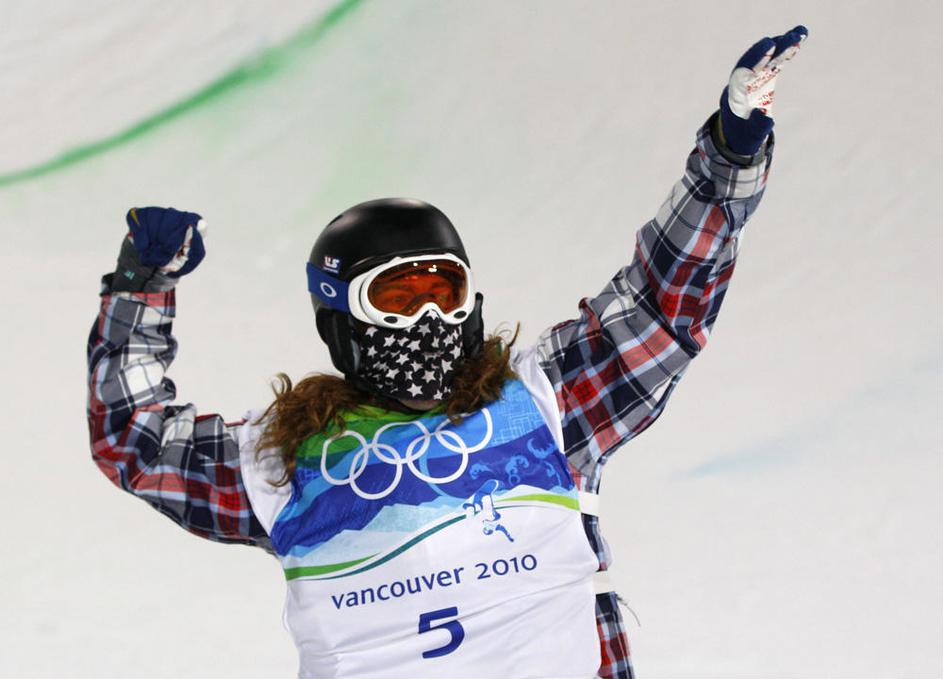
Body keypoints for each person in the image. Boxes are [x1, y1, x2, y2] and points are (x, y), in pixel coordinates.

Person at [86, 26, 807, 679]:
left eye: (443, 290)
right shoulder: (287, 457)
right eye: (397, 297)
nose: (428, 318)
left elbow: (658, 304)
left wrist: (727, 159)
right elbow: (136, 439)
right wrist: (141, 288)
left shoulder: (546, 404)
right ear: (341, 325)